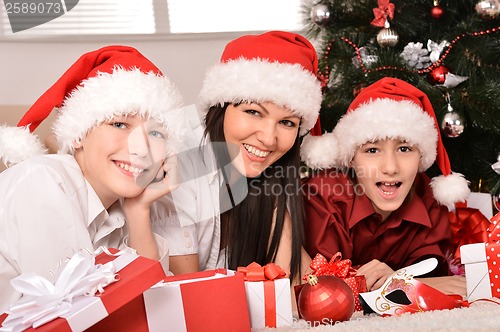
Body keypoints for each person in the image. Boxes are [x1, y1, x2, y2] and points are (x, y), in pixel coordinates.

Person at [0, 45, 184, 310]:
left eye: (156, 134)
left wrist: (139, 210)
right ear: (77, 135)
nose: (141, 149)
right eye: (119, 124)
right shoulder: (42, 180)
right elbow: (75, 313)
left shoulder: (117, 213)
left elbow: (155, 306)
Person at [163, 31, 323, 283]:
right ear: (221, 106)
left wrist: (275, 207)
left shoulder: (266, 176)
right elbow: (192, 301)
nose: (269, 139)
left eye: (287, 122)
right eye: (254, 112)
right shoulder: (181, 159)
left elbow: (302, 287)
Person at [300, 77, 470, 296]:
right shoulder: (323, 196)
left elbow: (431, 274)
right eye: (372, 150)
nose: (390, 168)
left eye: (404, 149)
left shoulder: (429, 198)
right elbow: (321, 287)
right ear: (352, 158)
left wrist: (406, 281)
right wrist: (393, 282)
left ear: (421, 157)